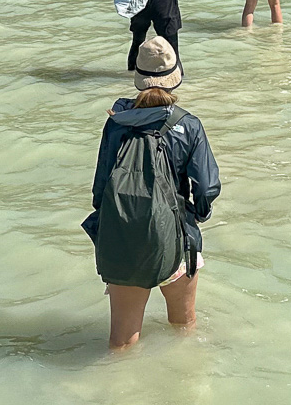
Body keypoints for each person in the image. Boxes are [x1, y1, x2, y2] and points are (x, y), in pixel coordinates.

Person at [87, 36, 220, 351]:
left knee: (121, 342)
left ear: (138, 77)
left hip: (123, 241)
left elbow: (100, 187)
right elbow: (207, 187)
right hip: (175, 240)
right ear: (175, 77)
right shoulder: (188, 126)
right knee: (183, 327)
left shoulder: (116, 122)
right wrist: (197, 215)